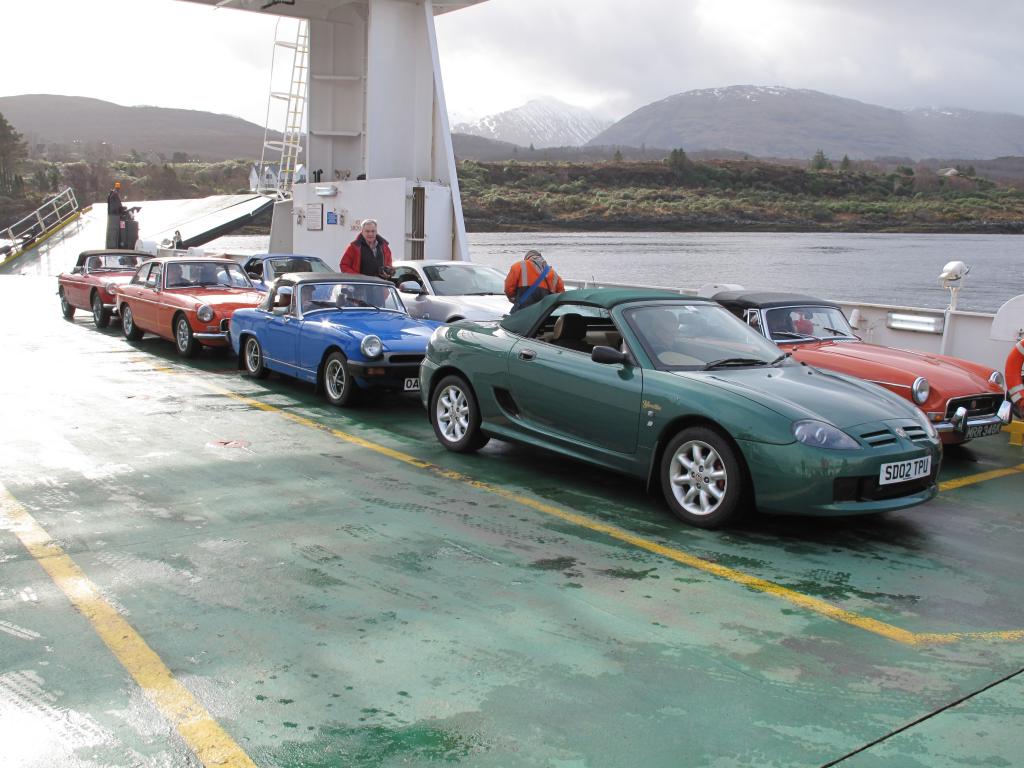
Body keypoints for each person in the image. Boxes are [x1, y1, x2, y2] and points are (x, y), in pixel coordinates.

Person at [106, 182, 125, 248]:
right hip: (114, 215)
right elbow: (118, 204)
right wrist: (121, 210)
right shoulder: (115, 194)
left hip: (112, 215)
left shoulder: (112, 193)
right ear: (118, 188)